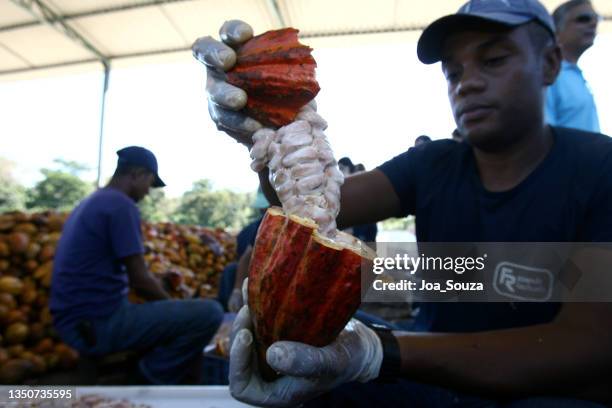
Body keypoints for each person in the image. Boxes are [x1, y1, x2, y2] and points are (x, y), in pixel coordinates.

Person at [194, 0, 612, 405]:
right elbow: (316, 205)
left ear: (551, 63)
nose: (467, 83)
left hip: (549, 391)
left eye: (494, 60)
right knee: (301, 351)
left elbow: (587, 346)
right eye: (453, 71)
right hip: (435, 379)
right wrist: (273, 129)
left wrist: (380, 351)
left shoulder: (599, 168)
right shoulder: (434, 164)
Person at [50, 146, 223, 385]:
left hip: (75, 320)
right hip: (96, 325)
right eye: (149, 183)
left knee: (173, 308)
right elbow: (140, 280)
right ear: (137, 174)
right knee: (208, 313)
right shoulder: (121, 205)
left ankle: (148, 368)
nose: (147, 192)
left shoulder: (94, 200)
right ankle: (147, 378)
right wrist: (174, 308)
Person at [545, 0, 600, 132]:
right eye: (583, 19)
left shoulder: (573, 75)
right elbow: (543, 135)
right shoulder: (548, 75)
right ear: (556, 31)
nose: (593, 24)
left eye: (596, 19)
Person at [217, 187, 269, 312]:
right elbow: (246, 256)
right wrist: (236, 291)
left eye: (264, 207)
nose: (262, 209)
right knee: (231, 270)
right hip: (258, 277)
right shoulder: (262, 223)